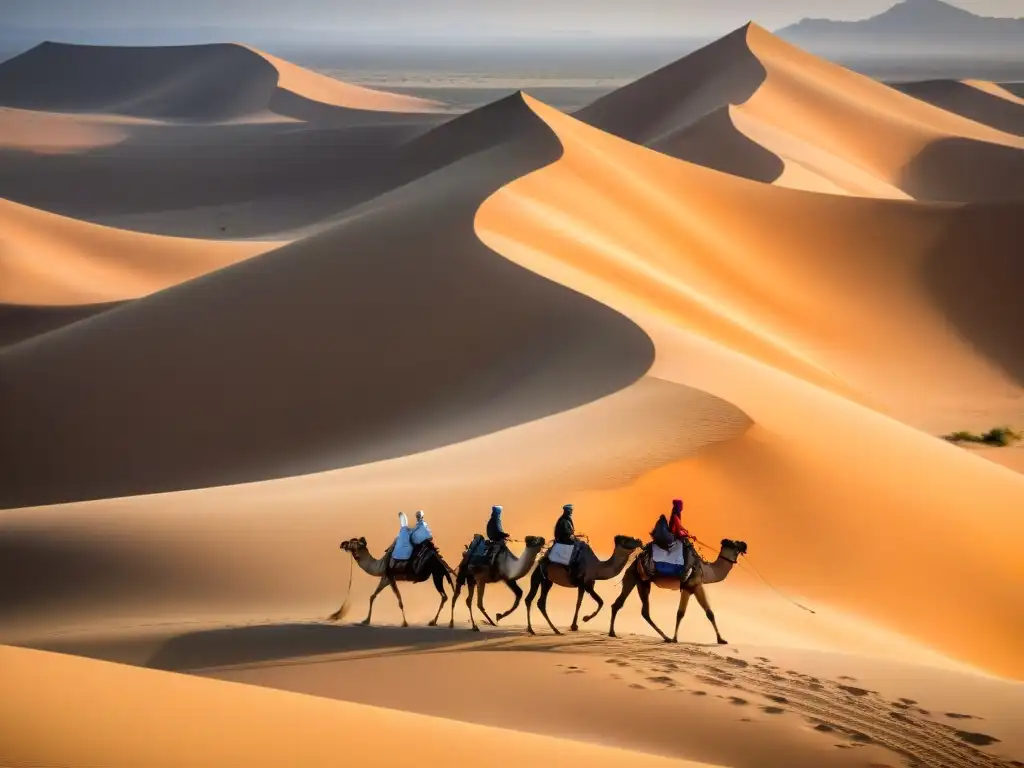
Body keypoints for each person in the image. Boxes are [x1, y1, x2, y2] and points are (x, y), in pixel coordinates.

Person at [668, 499, 695, 579]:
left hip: (674, 536)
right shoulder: (676, 515)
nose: (682, 507)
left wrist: (688, 533)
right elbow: (679, 528)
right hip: (673, 537)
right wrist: (688, 535)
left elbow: (680, 527)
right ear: (678, 506)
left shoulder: (676, 514)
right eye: (681, 505)